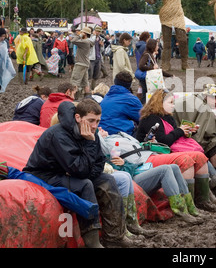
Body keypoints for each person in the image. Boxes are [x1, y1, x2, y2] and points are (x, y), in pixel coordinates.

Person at [23, 99, 143, 248]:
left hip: (67, 173)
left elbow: (99, 164)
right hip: (44, 175)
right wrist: (90, 144)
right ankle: (92, 242)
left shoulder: (91, 134)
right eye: (91, 120)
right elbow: (79, 171)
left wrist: (91, 144)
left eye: (98, 121)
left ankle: (115, 237)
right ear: (78, 117)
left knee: (107, 180)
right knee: (85, 185)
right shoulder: (59, 135)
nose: (94, 126)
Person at [135, 89, 216, 212]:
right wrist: (180, 131)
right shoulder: (151, 119)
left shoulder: (167, 117)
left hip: (167, 150)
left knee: (200, 156)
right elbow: (164, 142)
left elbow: (173, 136)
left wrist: (187, 132)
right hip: (151, 154)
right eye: (171, 102)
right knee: (192, 158)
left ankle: (208, 197)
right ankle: (199, 199)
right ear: (160, 103)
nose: (173, 105)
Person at [99, 129, 204, 225]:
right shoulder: (106, 147)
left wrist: (125, 162)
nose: (100, 128)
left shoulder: (120, 137)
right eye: (99, 128)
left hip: (138, 166)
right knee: (165, 169)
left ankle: (191, 207)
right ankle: (180, 211)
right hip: (131, 177)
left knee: (175, 167)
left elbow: (130, 164)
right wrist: (124, 163)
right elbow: (125, 170)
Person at [172, 84, 216, 199]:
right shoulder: (205, 110)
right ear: (207, 96)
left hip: (179, 135)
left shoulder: (192, 100)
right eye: (215, 98)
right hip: (181, 140)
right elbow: (199, 137)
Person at [146, 0, 192, 71]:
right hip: (165, 14)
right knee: (166, 42)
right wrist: (149, 1)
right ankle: (166, 63)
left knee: (182, 39)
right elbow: (154, 1)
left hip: (178, 13)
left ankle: (184, 62)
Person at [99, 71, 141, 136]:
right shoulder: (131, 99)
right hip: (118, 133)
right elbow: (142, 117)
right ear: (130, 84)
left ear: (115, 81)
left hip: (102, 131)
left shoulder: (107, 96)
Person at [138, 38, 173, 104]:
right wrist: (152, 68)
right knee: (146, 97)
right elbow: (141, 66)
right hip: (148, 79)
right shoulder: (146, 55)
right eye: (157, 45)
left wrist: (170, 75)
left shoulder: (150, 55)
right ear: (153, 46)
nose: (158, 47)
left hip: (148, 79)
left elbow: (158, 70)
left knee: (146, 96)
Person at [0, 28, 16, 117]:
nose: (2, 38)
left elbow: (6, 58)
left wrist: (11, 70)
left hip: (0, 70)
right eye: (1, 36)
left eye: (4, 36)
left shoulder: (4, 44)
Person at [70, 26, 94, 98]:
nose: (79, 33)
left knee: (75, 81)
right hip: (85, 64)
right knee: (85, 83)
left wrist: (80, 35)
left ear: (85, 34)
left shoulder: (84, 42)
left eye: (81, 32)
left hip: (80, 64)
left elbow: (73, 41)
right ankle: (88, 97)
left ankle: (74, 98)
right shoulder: (89, 42)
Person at [88, 26, 105, 91]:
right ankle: (87, 88)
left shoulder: (101, 39)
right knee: (90, 73)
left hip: (98, 58)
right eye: (97, 31)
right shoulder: (91, 38)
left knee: (96, 74)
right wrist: (94, 36)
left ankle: (93, 88)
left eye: (99, 31)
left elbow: (102, 50)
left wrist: (102, 45)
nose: (98, 32)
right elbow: (91, 43)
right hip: (91, 58)